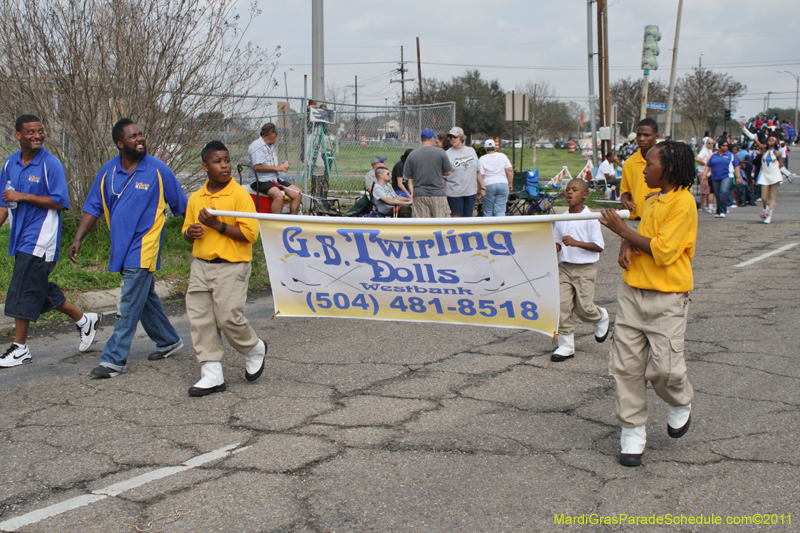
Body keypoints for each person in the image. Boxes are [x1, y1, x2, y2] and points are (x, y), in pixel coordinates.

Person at [599, 140, 698, 467]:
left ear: (668, 169)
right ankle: (632, 429)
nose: (643, 170)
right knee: (625, 366)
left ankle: (679, 401)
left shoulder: (683, 203)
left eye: (649, 165)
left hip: (666, 298)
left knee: (665, 369)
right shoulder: (653, 199)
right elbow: (646, 234)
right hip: (632, 294)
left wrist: (622, 231)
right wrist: (628, 242)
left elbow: (664, 250)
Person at [69, 118, 188, 378]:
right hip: (121, 247)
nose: (140, 139)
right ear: (120, 143)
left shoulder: (158, 169)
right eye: (133, 136)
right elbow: (93, 207)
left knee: (127, 304)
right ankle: (168, 340)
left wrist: (197, 231)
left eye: (141, 134)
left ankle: (114, 360)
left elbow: (183, 206)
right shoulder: (108, 171)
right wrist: (78, 238)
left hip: (144, 246)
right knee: (143, 298)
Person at [0, 115, 101, 367]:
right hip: (20, 236)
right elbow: (4, 203)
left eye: (40, 131)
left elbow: (60, 201)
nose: (37, 135)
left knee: (22, 289)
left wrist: (22, 195)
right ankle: (84, 319)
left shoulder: (50, 164)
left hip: (41, 237)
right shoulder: (9, 164)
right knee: (35, 286)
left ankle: (20, 348)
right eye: (31, 131)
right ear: (18, 136)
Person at [182, 141, 266, 397]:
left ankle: (253, 348)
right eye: (218, 161)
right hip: (201, 266)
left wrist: (217, 225)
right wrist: (191, 232)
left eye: (227, 160)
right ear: (205, 166)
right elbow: (186, 230)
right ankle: (211, 374)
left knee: (228, 317)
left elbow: (250, 235)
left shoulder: (239, 196)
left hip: (232, 266)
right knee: (201, 320)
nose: (225, 166)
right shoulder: (196, 198)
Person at [551, 179, 609, 362]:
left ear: (585, 195)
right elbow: (557, 241)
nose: (569, 193)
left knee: (584, 309)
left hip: (584, 269)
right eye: (567, 190)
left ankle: (600, 316)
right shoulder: (561, 217)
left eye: (574, 190)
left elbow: (599, 246)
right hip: (565, 268)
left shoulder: (591, 217)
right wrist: (556, 247)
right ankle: (566, 344)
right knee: (562, 306)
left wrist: (576, 243)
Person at [248, 123, 302, 214]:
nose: (276, 137)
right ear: (270, 133)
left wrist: (281, 165)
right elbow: (258, 166)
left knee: (298, 193)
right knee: (279, 196)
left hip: (274, 179)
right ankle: (276, 223)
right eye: (276, 134)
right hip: (260, 180)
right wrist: (278, 168)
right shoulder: (256, 145)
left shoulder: (270, 146)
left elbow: (271, 165)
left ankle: (292, 220)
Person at [743, 126, 790, 224]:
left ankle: (769, 215)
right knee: (764, 198)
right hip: (765, 175)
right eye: (769, 139)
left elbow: (781, 165)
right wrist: (744, 129)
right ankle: (765, 211)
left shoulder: (778, 153)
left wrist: (788, 175)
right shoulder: (764, 149)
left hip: (774, 175)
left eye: (772, 140)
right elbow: (755, 139)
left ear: (775, 142)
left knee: (772, 196)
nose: (770, 141)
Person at [403, 129, 453, 218]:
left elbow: (407, 175)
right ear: (432, 139)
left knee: (423, 226)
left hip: (419, 194)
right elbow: (448, 172)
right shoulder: (440, 152)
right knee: (440, 224)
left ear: (421, 140)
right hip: (437, 194)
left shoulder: (413, 154)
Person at [620, 118, 660, 223]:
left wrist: (660, 194)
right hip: (636, 220)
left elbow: (679, 189)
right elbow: (625, 191)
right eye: (639, 135)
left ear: (656, 136)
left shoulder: (667, 160)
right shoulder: (629, 163)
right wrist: (625, 201)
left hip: (660, 219)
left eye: (646, 135)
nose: (641, 138)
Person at [445, 127, 483, 218]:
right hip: (454, 192)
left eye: (455, 136)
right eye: (451, 137)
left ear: (461, 138)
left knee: (468, 218)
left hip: (470, 192)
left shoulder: (471, 151)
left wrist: (482, 187)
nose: (452, 139)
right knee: (456, 218)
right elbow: (444, 175)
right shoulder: (447, 154)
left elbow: (477, 171)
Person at [700, 139, 743, 219]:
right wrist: (704, 174)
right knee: (718, 194)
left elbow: (736, 166)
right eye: (723, 145)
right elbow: (708, 165)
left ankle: (723, 210)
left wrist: (738, 177)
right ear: (719, 146)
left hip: (727, 176)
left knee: (723, 192)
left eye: (726, 146)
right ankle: (718, 211)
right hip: (715, 177)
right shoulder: (713, 155)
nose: (725, 147)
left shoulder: (731, 155)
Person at [478, 139, 513, 217]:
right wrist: (510, 184)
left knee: (488, 211)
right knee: (500, 210)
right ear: (495, 147)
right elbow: (510, 171)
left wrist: (480, 188)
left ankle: (489, 228)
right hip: (503, 183)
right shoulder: (502, 156)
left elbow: (481, 175)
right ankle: (500, 227)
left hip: (488, 184)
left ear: (485, 148)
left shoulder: (482, 159)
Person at [695, 137, 715, 214]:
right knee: (704, 189)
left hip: (709, 173)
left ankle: (707, 205)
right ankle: (702, 206)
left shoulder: (711, 151)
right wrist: (706, 164)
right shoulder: (704, 150)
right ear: (706, 143)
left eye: (712, 143)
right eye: (709, 143)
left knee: (708, 189)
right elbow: (698, 158)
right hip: (703, 172)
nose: (710, 144)